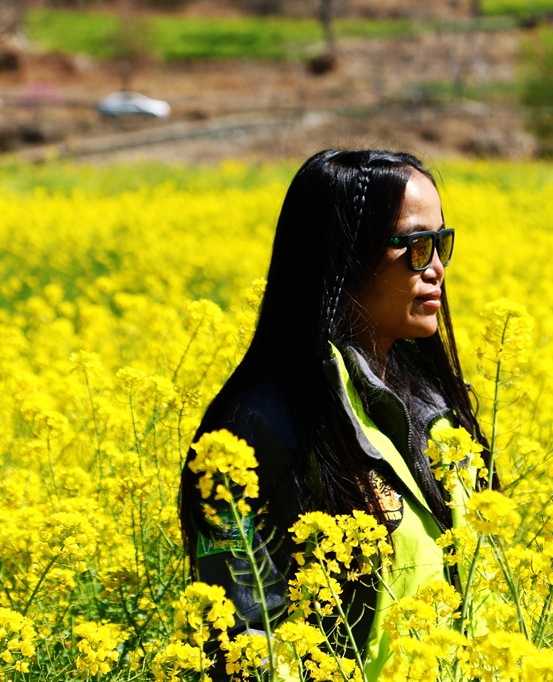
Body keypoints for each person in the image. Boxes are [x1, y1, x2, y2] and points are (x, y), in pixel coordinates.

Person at [178, 149, 488, 679]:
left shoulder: (436, 411)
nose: (435, 267)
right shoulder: (255, 428)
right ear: (344, 254)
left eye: (441, 244)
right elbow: (244, 637)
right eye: (415, 246)